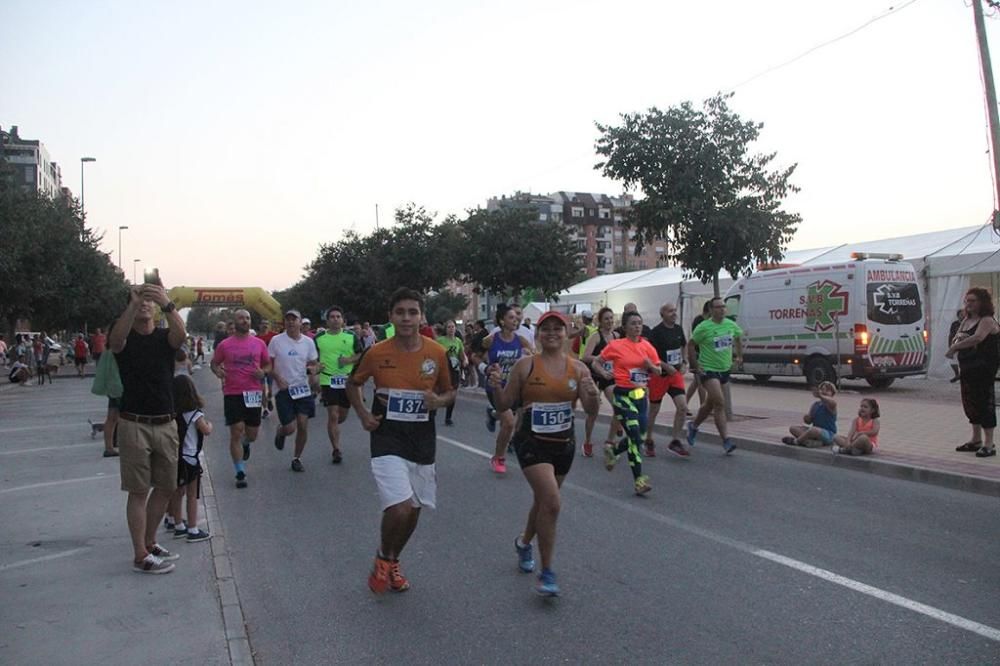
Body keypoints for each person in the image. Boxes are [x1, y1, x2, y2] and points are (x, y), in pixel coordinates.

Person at [346, 288, 455, 594]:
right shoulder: (377, 353)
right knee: (401, 507)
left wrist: (439, 400)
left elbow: (450, 392)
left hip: (422, 441)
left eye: (412, 312)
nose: (406, 318)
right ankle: (383, 556)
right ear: (390, 317)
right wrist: (363, 413)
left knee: (414, 510)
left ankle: (393, 559)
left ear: (421, 316)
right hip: (387, 437)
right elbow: (352, 384)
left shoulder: (436, 353)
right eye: (400, 312)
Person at [489, 310, 600, 596]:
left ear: (566, 334)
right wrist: (495, 384)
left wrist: (593, 396)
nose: (552, 333)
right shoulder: (526, 366)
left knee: (543, 502)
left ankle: (524, 543)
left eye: (558, 329)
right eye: (546, 328)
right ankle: (547, 572)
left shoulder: (578, 369)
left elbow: (590, 411)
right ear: (538, 334)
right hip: (531, 442)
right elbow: (505, 403)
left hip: (564, 444)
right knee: (552, 502)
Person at [109, 280, 187, 574]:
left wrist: (167, 303)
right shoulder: (126, 338)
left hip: (165, 422)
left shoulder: (165, 336)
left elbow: (181, 335)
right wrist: (132, 303)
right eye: (141, 299)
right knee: (139, 490)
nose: (145, 303)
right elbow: (114, 343)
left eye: (148, 301)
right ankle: (140, 554)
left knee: (167, 486)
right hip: (134, 423)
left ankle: (151, 541)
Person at [598, 311, 664, 495]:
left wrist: (651, 367)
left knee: (639, 437)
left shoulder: (648, 347)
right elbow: (597, 362)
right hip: (623, 395)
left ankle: (615, 451)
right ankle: (639, 480)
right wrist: (604, 374)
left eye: (639, 323)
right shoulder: (616, 345)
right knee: (634, 433)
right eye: (633, 323)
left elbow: (658, 370)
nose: (637, 326)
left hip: (640, 395)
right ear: (625, 327)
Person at [212, 309, 272, 488]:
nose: (245, 321)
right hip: (233, 392)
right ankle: (240, 471)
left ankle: (246, 444)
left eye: (248, 318)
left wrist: (263, 372)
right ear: (235, 322)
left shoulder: (259, 344)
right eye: (241, 318)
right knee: (236, 430)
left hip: (253, 392)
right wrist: (218, 371)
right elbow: (214, 363)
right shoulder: (225, 345)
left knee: (252, 434)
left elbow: (268, 364)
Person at [947, 287, 1000, 458]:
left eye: (972, 301)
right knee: (970, 402)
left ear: (982, 302)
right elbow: (958, 336)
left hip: (983, 368)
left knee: (985, 402)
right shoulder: (966, 320)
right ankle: (975, 439)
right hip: (968, 368)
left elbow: (977, 338)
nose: (968, 304)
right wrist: (957, 342)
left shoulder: (987, 320)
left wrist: (956, 346)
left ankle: (989, 443)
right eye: (967, 300)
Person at [686, 297, 743, 454]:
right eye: (718, 307)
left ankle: (693, 426)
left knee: (710, 404)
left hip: (724, 369)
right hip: (708, 369)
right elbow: (691, 344)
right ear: (711, 310)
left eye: (723, 307)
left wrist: (739, 355)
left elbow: (738, 337)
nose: (722, 310)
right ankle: (726, 440)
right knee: (719, 403)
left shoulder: (731, 324)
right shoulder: (704, 327)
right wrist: (695, 365)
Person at [483, 303, 534, 474]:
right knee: (509, 422)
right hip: (495, 386)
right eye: (511, 317)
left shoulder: (520, 340)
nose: (516, 320)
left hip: (512, 387)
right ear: (502, 321)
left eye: (516, 317)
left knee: (515, 418)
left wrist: (528, 357)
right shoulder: (491, 339)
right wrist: (485, 368)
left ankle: (493, 414)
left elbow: (535, 354)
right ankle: (498, 457)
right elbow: (473, 355)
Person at [269, 309, 320, 471]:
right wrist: (277, 378)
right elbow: (267, 365)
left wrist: (313, 372)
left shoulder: (308, 342)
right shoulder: (276, 341)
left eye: (294, 319)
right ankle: (281, 431)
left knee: (303, 425)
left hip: (302, 389)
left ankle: (296, 458)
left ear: (300, 322)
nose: (291, 322)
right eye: (288, 319)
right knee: (290, 428)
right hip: (283, 389)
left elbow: (313, 363)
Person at [165, 375, 213, 542]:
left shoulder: (173, 413)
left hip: (176, 456)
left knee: (178, 492)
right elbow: (205, 430)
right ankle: (193, 528)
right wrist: (210, 425)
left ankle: (178, 524)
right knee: (192, 495)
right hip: (190, 457)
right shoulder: (195, 413)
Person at [315, 305, 362, 464]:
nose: (335, 319)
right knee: (333, 415)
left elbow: (361, 354)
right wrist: (315, 367)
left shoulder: (351, 336)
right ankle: (336, 449)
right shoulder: (319, 338)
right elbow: (312, 358)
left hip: (346, 381)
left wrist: (349, 360)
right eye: (332, 317)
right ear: (327, 321)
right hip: (328, 380)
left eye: (338, 317)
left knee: (341, 416)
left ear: (343, 320)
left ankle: (333, 427)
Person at [646, 303, 691, 458]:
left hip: (675, 375)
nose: (674, 313)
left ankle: (675, 440)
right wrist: (665, 365)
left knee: (683, 407)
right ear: (662, 313)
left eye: (674, 311)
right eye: (670, 311)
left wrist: (684, 362)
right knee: (654, 410)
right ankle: (649, 438)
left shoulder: (678, 329)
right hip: (659, 376)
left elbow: (684, 345)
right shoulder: (656, 332)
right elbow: (651, 355)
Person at [580, 307, 620, 457]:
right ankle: (588, 441)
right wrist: (601, 358)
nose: (609, 321)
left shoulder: (616, 336)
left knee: (618, 407)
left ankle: (610, 441)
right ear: (600, 321)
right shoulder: (595, 337)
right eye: (606, 319)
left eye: (611, 318)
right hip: (595, 377)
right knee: (593, 412)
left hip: (609, 377)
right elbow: (585, 357)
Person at [781, 381, 838, 447]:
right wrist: (807, 418)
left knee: (813, 430)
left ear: (832, 394)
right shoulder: (816, 405)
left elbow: (832, 402)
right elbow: (808, 421)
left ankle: (796, 441)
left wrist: (820, 396)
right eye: (822, 390)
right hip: (814, 431)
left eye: (827, 390)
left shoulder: (831, 404)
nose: (824, 392)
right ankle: (810, 442)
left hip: (828, 433)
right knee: (793, 428)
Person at [436, 319, 467, 426]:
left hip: (454, 369)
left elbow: (462, 355)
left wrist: (464, 361)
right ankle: (433, 411)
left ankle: (448, 418)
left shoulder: (458, 341)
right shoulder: (440, 340)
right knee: (439, 391)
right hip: (443, 368)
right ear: (445, 329)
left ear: (455, 328)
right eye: (449, 327)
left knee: (453, 394)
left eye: (453, 327)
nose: (451, 329)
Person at [685, 301, 713, 411]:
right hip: (697, 354)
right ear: (709, 309)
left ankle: (685, 403)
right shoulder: (699, 321)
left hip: (704, 354)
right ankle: (703, 406)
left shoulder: (709, 321)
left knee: (696, 382)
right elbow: (697, 339)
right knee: (701, 382)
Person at [948, 309, 964, 383]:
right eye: (961, 314)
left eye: (963, 314)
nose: (962, 316)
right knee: (952, 360)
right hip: (955, 343)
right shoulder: (955, 324)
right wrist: (950, 344)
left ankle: (962, 375)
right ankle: (957, 374)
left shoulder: (967, 323)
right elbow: (951, 334)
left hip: (964, 344)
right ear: (958, 316)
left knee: (962, 360)